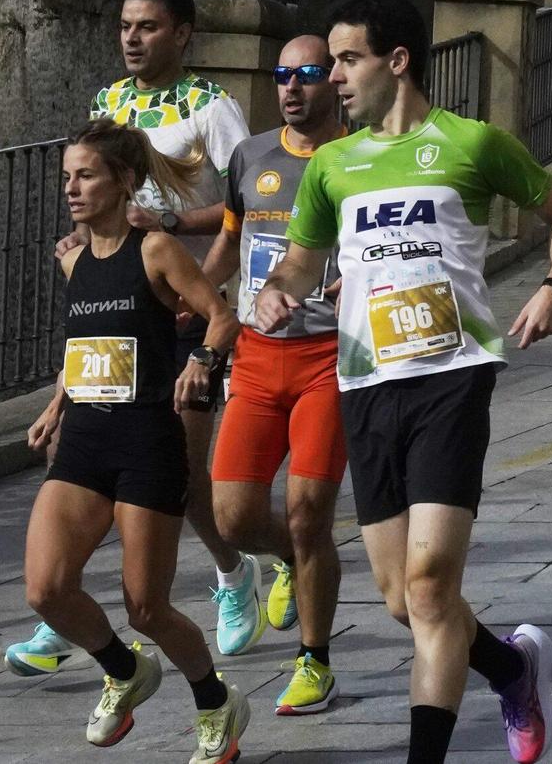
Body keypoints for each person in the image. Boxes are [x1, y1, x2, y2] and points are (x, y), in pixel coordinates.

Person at [255, 0, 552, 764]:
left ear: (397, 60)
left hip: (453, 374)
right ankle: (513, 668)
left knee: (433, 585)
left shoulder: (472, 143)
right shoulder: (333, 165)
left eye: (347, 59)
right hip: (366, 385)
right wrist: (280, 288)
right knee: (402, 599)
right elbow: (304, 260)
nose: (331, 75)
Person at [24, 120, 251, 762]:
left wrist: (201, 361)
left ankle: (216, 702)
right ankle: (123, 670)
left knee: (147, 607)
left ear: (123, 180)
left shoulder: (154, 251)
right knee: (45, 589)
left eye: (86, 175)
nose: (71, 187)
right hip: (84, 445)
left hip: (148, 443)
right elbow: (88, 349)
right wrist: (56, 403)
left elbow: (222, 316)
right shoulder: (71, 258)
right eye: (67, 176)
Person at [78, 0, 259, 660]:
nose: (131, 36)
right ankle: (61, 593)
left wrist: (181, 231)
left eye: (147, 26)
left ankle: (230, 570)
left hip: (187, 310)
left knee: (180, 474)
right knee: (89, 460)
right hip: (120, 309)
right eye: (126, 24)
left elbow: (251, 199)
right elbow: (93, 181)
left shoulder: (209, 106)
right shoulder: (110, 101)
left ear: (181, 33)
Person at [199, 37, 350, 715]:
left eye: (309, 74)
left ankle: (315, 660)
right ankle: (296, 556)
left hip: (328, 357)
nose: (292, 87)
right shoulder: (250, 155)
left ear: (334, 79)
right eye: (283, 74)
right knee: (232, 516)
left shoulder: (360, 159)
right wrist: (192, 301)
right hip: (257, 357)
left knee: (308, 506)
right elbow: (232, 242)